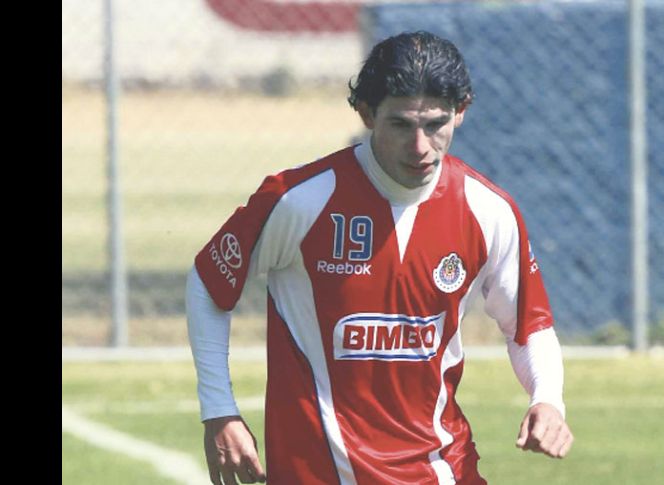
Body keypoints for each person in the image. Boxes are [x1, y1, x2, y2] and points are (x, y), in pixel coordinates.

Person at [186, 30, 573, 485]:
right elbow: (209, 284)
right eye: (401, 125)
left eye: (436, 124)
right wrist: (219, 410)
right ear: (367, 114)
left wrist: (548, 398)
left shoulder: (488, 211)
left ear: (461, 111)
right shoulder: (299, 200)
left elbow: (527, 326)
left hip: (441, 469)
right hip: (318, 473)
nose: (421, 146)